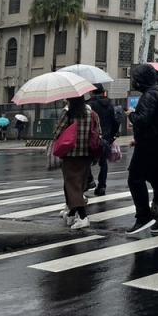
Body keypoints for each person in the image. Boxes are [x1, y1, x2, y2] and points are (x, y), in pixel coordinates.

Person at [126, 64, 158, 235]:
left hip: (149, 145)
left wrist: (131, 115)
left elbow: (143, 120)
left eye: (135, 78)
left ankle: (143, 216)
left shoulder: (150, 96)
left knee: (135, 178)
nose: (134, 82)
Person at [52, 95, 101, 230]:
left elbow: (57, 133)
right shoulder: (92, 114)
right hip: (87, 154)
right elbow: (98, 132)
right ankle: (72, 213)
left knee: (72, 186)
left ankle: (83, 217)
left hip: (71, 154)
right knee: (79, 185)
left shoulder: (69, 113)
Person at [89, 84, 119, 196]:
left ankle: (90, 180)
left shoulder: (90, 105)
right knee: (103, 163)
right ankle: (102, 186)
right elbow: (115, 121)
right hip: (107, 138)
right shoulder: (110, 104)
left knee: (86, 160)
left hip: (93, 137)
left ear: (92, 92)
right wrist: (112, 135)